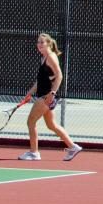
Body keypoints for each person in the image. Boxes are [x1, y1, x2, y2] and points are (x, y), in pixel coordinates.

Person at [18, 32, 82, 162]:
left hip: (46, 96)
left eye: (42, 42)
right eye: (38, 42)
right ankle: (73, 146)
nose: (39, 44)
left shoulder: (51, 57)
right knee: (51, 125)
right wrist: (29, 93)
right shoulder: (43, 58)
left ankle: (34, 153)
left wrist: (52, 94)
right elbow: (40, 80)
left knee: (31, 122)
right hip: (44, 95)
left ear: (48, 44)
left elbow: (59, 75)